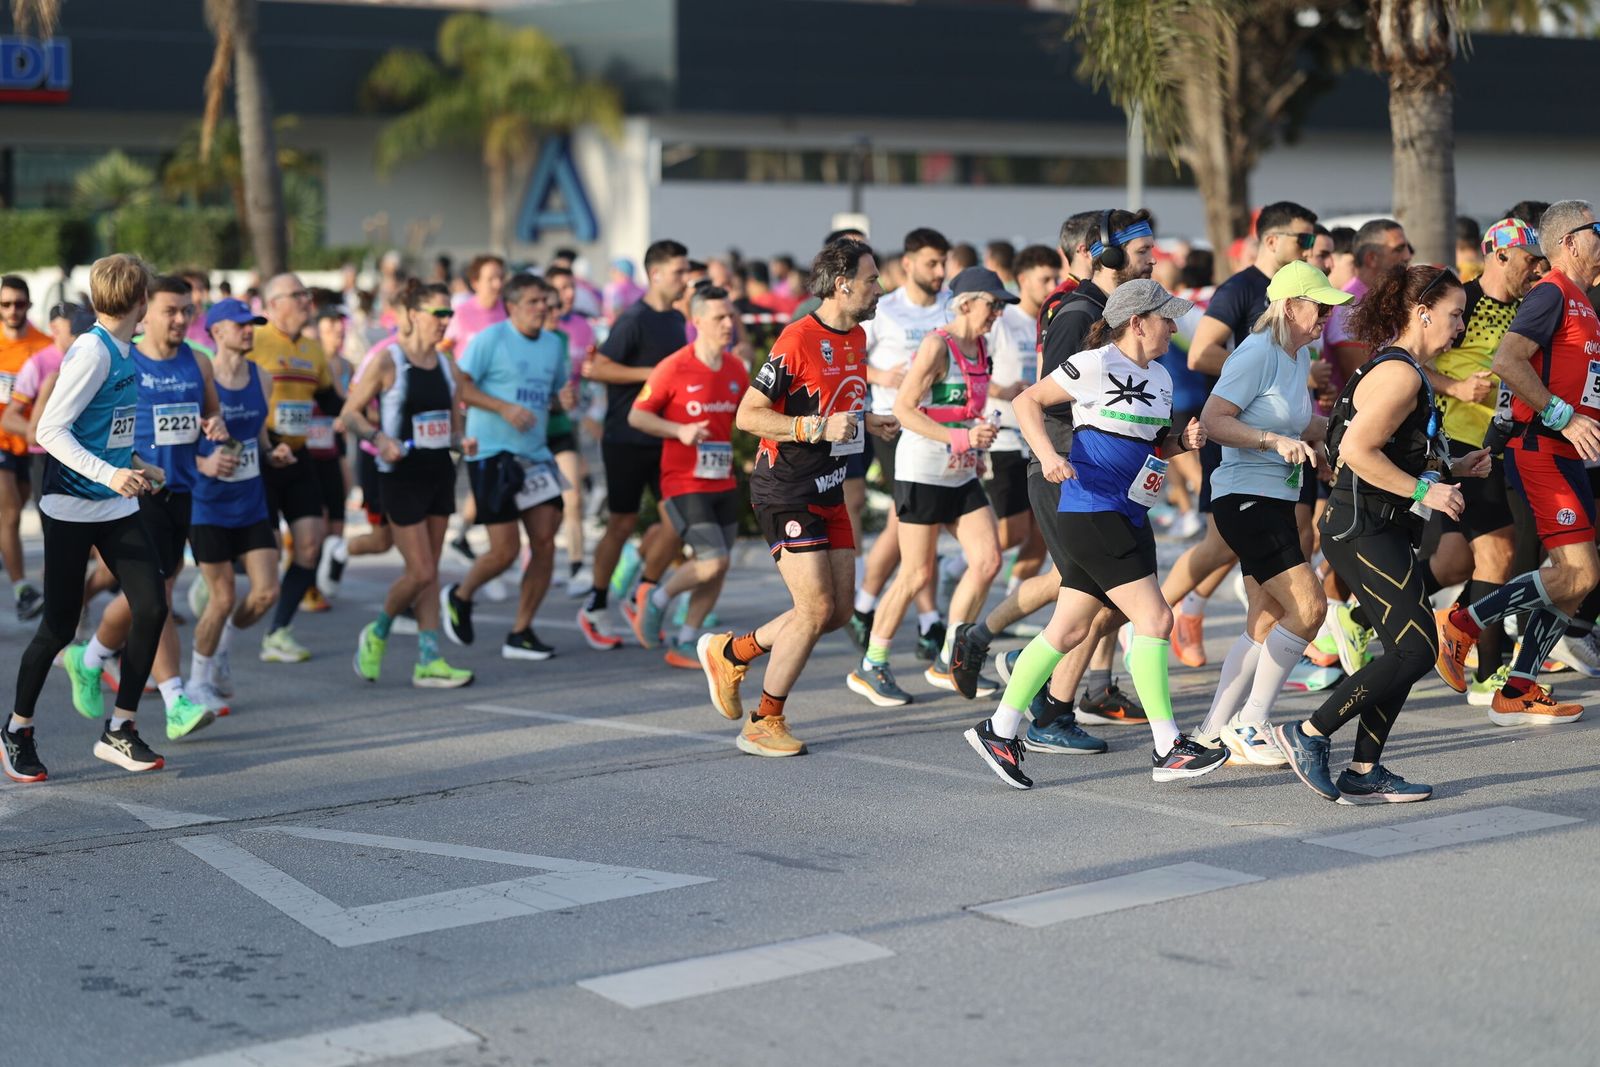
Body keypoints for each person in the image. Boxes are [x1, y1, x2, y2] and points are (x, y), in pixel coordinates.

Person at [966, 280, 1216, 790]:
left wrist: (1180, 442)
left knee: (1068, 630)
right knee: (1155, 617)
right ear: (1138, 322)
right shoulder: (1096, 361)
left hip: (1130, 512)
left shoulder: (1164, 378)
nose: (1173, 327)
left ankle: (1000, 729)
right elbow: (1026, 402)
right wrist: (1050, 455)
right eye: (1166, 318)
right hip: (1090, 508)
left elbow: (1150, 444)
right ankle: (1168, 746)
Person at [1277, 264, 1489, 803]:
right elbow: (1355, 451)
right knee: (1417, 650)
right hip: (1359, 526)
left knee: (1404, 649)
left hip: (1379, 523)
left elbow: (1396, 450)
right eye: (1454, 314)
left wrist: (1456, 468)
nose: (1460, 326)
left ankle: (1365, 767)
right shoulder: (1399, 374)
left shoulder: (1408, 369)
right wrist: (1427, 492)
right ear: (1422, 313)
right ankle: (1308, 734)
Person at [950, 210, 1154, 747]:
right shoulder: (1079, 312)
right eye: (1141, 252)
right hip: (1071, 469)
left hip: (1096, 474)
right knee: (1100, 594)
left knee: (1085, 592)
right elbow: (1052, 399)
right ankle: (1047, 703)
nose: (1152, 260)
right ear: (1104, 254)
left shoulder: (1105, 309)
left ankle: (1004, 649)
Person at [696, 239, 898, 757]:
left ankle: (732, 651)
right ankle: (765, 720)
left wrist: (867, 421)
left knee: (835, 613)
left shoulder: (854, 336)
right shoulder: (797, 338)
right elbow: (748, 414)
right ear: (842, 283)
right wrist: (813, 426)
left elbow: (839, 405)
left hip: (829, 485)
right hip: (785, 487)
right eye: (872, 279)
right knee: (813, 609)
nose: (880, 288)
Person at [4, 256, 175, 782]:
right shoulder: (92, 353)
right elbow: (49, 432)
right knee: (57, 628)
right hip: (71, 509)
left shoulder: (124, 350)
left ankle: (120, 729)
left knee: (151, 604)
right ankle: (17, 729)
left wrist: (138, 466)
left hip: (114, 503)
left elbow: (109, 430)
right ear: (141, 301)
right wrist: (109, 473)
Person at [1437, 200, 1600, 726]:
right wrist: (1564, 417)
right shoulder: (1552, 291)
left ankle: (1520, 686)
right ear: (1570, 242)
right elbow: (1507, 360)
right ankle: (1464, 620)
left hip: (1568, 451)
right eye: (1596, 229)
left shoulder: (1581, 300)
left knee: (1574, 580)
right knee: (1580, 572)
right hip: (1540, 447)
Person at [1196, 261, 1350, 765]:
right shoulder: (1257, 351)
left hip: (1276, 499)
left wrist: (1349, 436)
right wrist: (1271, 440)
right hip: (1245, 498)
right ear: (1289, 307)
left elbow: (1303, 422)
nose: (1327, 315)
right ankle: (1253, 723)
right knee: (1309, 609)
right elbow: (1213, 421)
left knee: (1262, 621)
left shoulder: (1296, 355)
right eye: (1320, 306)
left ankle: (1211, 731)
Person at [66, 274, 229, 733]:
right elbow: (79, 425)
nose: (180, 319)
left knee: (157, 594)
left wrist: (213, 428)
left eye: (186, 311)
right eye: (169, 310)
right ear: (145, 311)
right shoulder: (123, 360)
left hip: (181, 492)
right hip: (136, 494)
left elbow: (210, 413)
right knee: (153, 595)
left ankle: (91, 655)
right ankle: (176, 701)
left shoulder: (199, 362)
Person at [1169, 201, 1321, 668]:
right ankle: (1160, 613)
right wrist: (1256, 374)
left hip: (1289, 439)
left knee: (1297, 535)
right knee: (1220, 544)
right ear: (1272, 240)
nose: (1311, 250)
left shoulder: (1300, 323)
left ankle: (1264, 653)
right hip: (1242, 436)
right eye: (1305, 241)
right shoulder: (1240, 289)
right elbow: (1200, 355)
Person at [848, 267, 1008, 706]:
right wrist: (961, 436)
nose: (997, 313)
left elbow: (963, 407)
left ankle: (947, 657)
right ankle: (871, 663)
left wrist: (979, 430)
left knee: (989, 560)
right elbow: (903, 409)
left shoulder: (982, 346)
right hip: (922, 471)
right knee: (916, 573)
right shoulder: (939, 345)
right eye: (993, 304)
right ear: (967, 303)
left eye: (1001, 306)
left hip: (961, 471)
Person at [1423, 218, 1544, 702]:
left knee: (1455, 563)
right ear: (1499, 256)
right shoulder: (1462, 301)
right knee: (1498, 551)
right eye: (1527, 260)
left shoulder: (1526, 308)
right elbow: (1407, 356)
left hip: (1500, 446)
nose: (1534, 269)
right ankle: (1487, 672)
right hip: (1456, 444)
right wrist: (1454, 386)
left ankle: (1359, 616)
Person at [439, 274, 576, 661]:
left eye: (545, 302)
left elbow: (553, 397)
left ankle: (521, 631)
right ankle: (460, 595)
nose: (542, 308)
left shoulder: (553, 345)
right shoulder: (491, 339)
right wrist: (503, 408)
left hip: (535, 454)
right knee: (504, 551)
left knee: (546, 541)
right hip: (492, 453)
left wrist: (563, 399)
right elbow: (460, 388)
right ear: (512, 306)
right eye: (533, 302)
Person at [347, 281, 477, 688]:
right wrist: (379, 439)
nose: (445, 322)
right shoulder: (390, 361)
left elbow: (454, 427)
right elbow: (350, 414)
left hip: (439, 473)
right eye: (439, 314)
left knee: (431, 571)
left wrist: (463, 440)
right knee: (419, 571)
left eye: (449, 314)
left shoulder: (445, 365)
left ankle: (429, 659)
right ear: (414, 314)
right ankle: (378, 632)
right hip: (400, 477)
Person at [626, 286, 748, 665]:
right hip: (683, 481)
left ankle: (685, 641)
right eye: (719, 318)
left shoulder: (734, 368)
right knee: (712, 561)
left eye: (730, 316)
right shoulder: (674, 366)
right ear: (697, 322)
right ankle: (656, 599)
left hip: (723, 480)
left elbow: (749, 414)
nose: (729, 323)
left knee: (718, 569)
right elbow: (637, 415)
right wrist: (678, 430)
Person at [185, 299, 295, 712]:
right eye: (241, 324)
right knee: (223, 597)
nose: (250, 330)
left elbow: (259, 439)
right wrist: (204, 462)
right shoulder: (199, 377)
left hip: (250, 502)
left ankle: (220, 644)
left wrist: (274, 453)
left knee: (267, 593)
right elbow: (179, 445)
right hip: (206, 504)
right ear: (216, 331)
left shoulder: (262, 378)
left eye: (253, 324)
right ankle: (197, 684)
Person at [581, 240, 689, 650]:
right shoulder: (634, 319)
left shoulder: (676, 320)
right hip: (625, 437)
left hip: (664, 437)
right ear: (656, 274)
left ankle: (640, 593)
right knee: (622, 524)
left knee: (677, 521)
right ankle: (594, 602)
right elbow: (599, 368)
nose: (685, 279)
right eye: (678, 272)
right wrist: (656, 373)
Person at [850, 229, 950, 660]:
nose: (940, 271)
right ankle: (924, 620)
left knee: (915, 524)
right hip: (895, 426)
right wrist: (882, 377)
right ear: (907, 264)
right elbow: (854, 358)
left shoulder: (951, 306)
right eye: (931, 263)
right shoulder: (884, 310)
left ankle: (867, 603)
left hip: (942, 425)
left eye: (943, 262)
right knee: (910, 521)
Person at [250, 272, 339, 663]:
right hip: (261, 454)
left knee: (309, 544)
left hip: (299, 456)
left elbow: (333, 401)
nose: (306, 301)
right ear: (272, 305)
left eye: (306, 294)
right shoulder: (253, 340)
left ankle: (278, 632)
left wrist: (374, 423)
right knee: (263, 557)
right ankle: (215, 571)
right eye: (297, 295)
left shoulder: (313, 350)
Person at [983, 244, 1056, 585]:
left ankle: (1015, 601)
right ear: (1023, 279)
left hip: (1037, 436)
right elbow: (974, 372)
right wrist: (1003, 390)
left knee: (1043, 529)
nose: (1053, 284)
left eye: (1056, 276)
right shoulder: (1002, 319)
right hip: (1002, 436)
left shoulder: (1052, 319)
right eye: (1046, 278)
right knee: (1012, 531)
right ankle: (959, 568)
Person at [0, 274, 52, 622]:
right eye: (6, 304)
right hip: (1, 440)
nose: (13, 310)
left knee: (35, 511)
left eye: (19, 303)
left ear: (29, 305)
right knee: (11, 512)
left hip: (33, 445)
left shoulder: (44, 344)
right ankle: (21, 589)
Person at [546, 264, 596, 595]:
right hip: (527, 431)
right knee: (539, 509)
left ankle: (577, 565)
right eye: (558, 290)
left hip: (563, 426)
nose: (566, 296)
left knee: (573, 498)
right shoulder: (516, 337)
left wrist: (582, 402)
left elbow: (583, 379)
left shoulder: (573, 333)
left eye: (570, 288)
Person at [306, 304, 351, 608]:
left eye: (340, 329)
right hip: (309, 453)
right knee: (316, 523)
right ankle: (308, 584)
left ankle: (326, 573)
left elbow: (348, 405)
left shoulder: (347, 366)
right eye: (330, 330)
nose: (337, 335)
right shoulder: (310, 364)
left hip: (334, 447)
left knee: (337, 519)